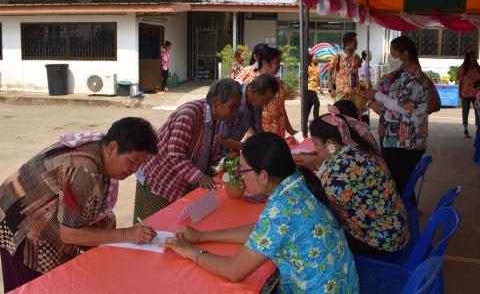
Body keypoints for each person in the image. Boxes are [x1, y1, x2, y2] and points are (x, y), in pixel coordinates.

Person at [163, 133, 359, 293]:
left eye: (243, 171)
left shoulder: (283, 207)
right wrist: (202, 236)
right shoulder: (297, 181)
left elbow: (234, 271)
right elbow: (261, 232)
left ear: (263, 175)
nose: (241, 177)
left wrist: (189, 251)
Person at [0, 118, 159, 292]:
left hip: (35, 212)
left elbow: (90, 208)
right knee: (31, 288)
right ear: (112, 148)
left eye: (139, 165)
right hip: (21, 225)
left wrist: (112, 231)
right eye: (131, 162)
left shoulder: (100, 150)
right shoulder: (83, 169)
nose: (134, 170)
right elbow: (69, 234)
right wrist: (126, 234)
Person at [134, 79, 242, 220]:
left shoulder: (217, 119)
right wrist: (199, 176)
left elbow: (208, 152)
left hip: (178, 183)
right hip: (157, 180)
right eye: (232, 107)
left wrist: (225, 167)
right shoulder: (189, 115)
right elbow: (175, 154)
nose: (234, 113)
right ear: (215, 102)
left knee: (173, 227)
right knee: (150, 228)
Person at [310, 108, 409, 255]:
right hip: (395, 227)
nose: (315, 149)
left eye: (315, 144)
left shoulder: (339, 170)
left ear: (330, 143)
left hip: (381, 240)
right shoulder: (358, 149)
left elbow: (320, 207)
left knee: (315, 238)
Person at [362, 36, 432, 195]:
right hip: (396, 139)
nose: (391, 58)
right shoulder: (404, 75)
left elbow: (405, 108)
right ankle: (406, 211)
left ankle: (400, 217)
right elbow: (394, 107)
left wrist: (378, 95)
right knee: (400, 183)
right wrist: (374, 101)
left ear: (405, 54)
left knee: (398, 185)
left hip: (406, 142)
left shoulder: (414, 77)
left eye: (394, 54)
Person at [242, 46, 297, 139]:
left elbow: (281, 109)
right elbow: (244, 113)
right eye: (277, 63)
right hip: (262, 133)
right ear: (265, 63)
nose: (279, 66)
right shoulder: (253, 83)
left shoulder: (278, 83)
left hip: (279, 133)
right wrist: (250, 134)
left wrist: (290, 130)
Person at [219, 74, 279, 152]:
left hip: (229, 152)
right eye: (265, 100)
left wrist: (269, 143)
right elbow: (220, 138)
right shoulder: (233, 99)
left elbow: (258, 129)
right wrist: (247, 147)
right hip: (215, 153)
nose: (266, 104)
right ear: (254, 92)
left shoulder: (255, 103)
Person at [327, 32, 365, 111]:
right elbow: (329, 73)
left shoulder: (357, 58)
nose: (357, 43)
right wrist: (331, 89)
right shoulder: (337, 57)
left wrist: (360, 87)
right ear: (348, 43)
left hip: (354, 92)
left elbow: (357, 74)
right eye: (355, 42)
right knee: (340, 115)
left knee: (356, 115)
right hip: (341, 92)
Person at [457, 50, 480, 138]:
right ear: (468, 57)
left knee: (477, 111)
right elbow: (460, 82)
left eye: (475, 56)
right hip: (465, 93)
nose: (474, 58)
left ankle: (478, 128)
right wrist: (459, 93)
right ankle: (465, 129)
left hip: (476, 94)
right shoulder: (463, 68)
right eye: (473, 56)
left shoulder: (477, 68)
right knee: (465, 111)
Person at [305, 53, 322, 124]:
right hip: (309, 88)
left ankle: (304, 121)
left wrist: (320, 87)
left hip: (314, 89)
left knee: (309, 105)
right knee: (317, 103)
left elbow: (318, 78)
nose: (317, 58)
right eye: (315, 57)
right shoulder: (308, 67)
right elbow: (305, 78)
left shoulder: (316, 67)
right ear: (311, 58)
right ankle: (317, 121)